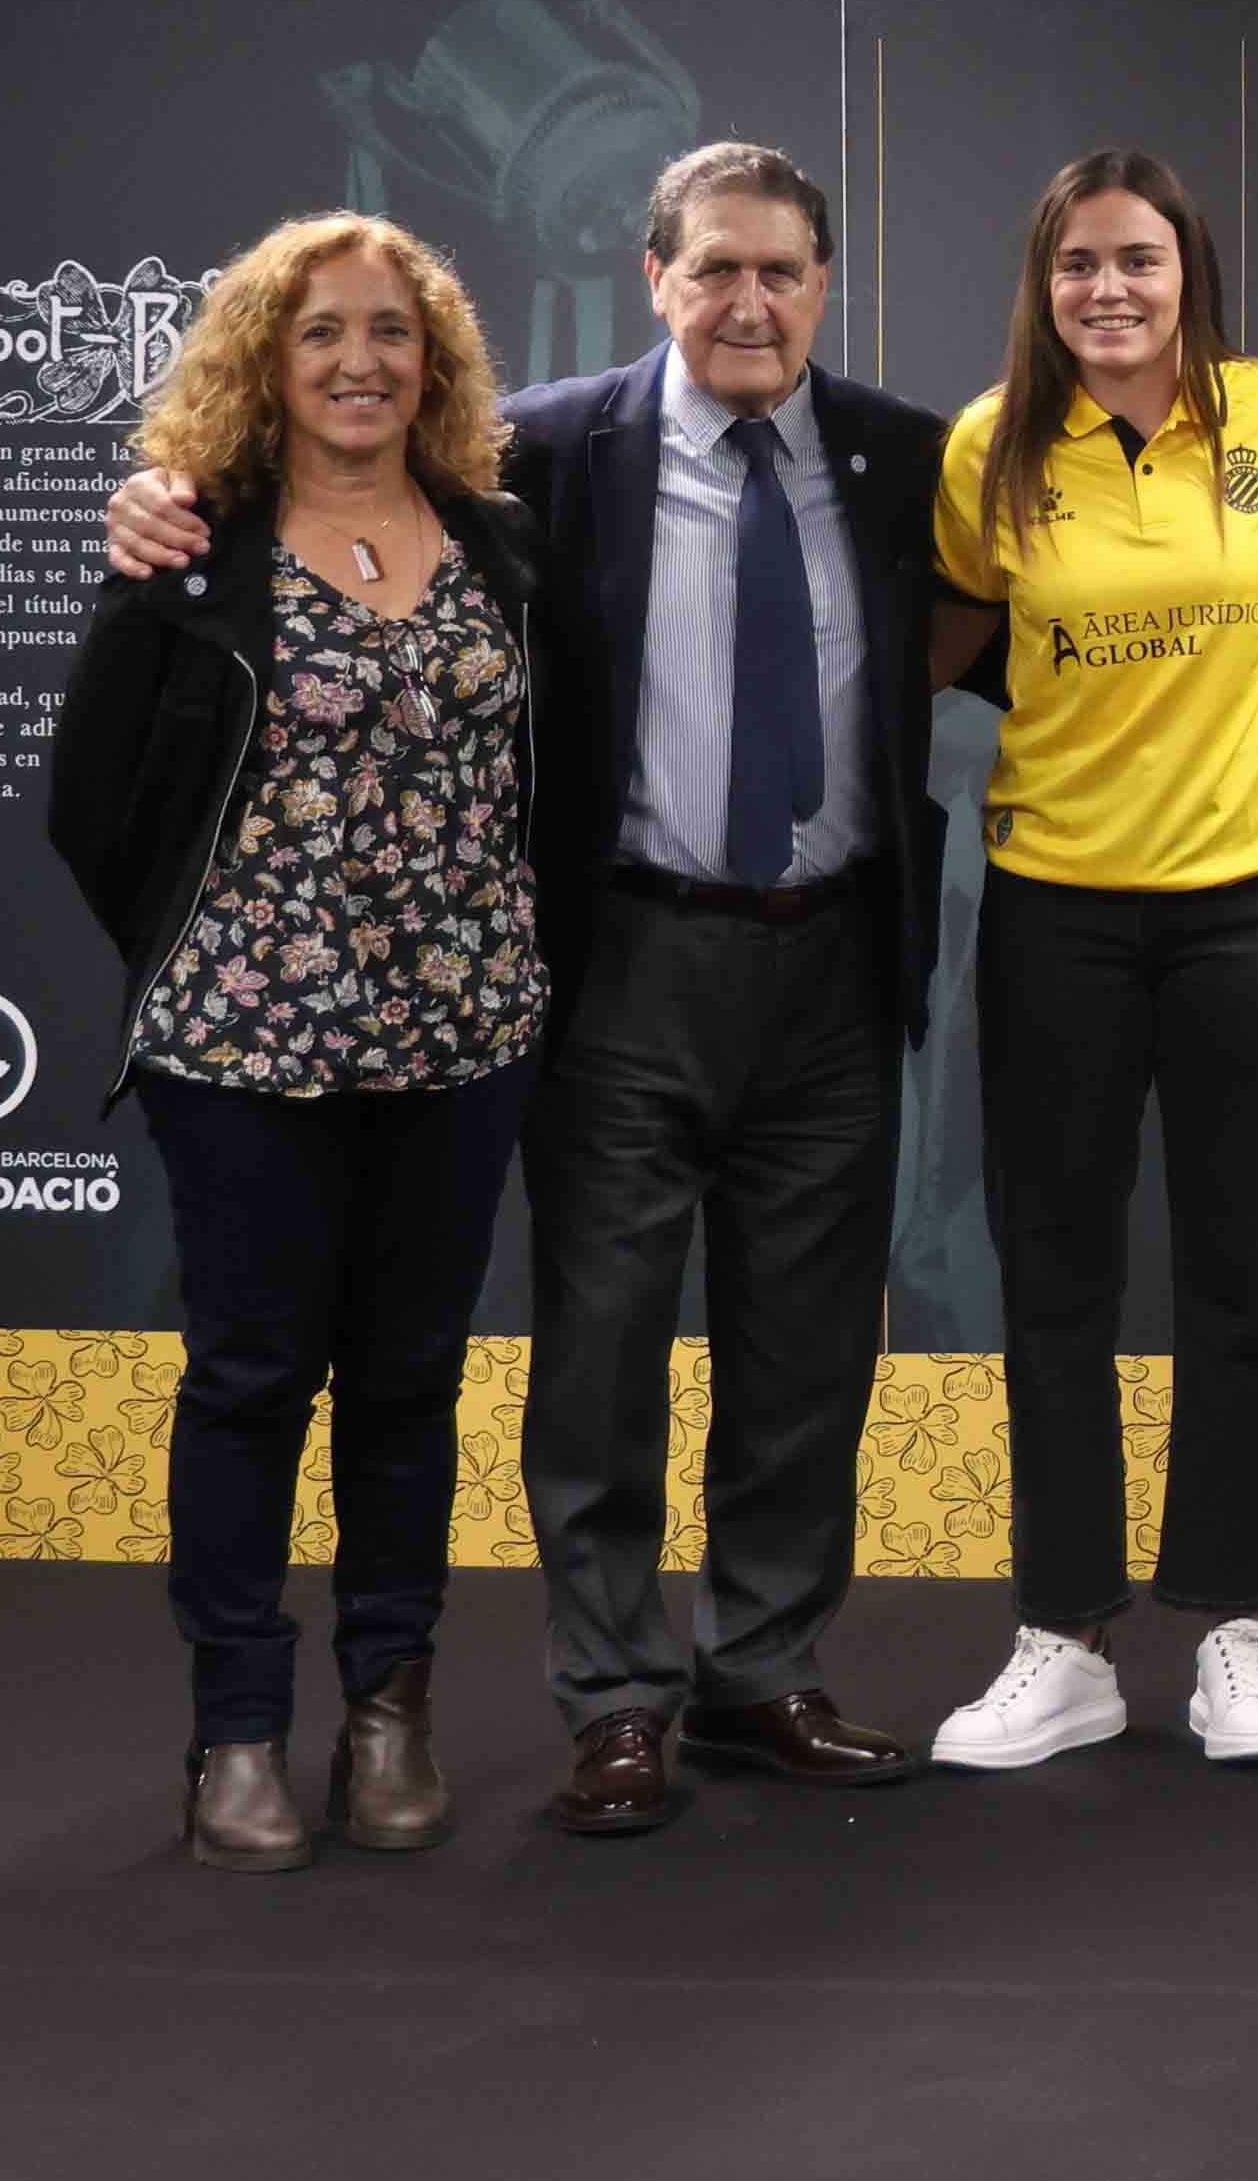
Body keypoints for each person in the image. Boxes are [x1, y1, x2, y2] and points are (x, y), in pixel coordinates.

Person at [105, 141, 954, 1837]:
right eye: (713, 267)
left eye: (782, 270)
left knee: (803, 1353)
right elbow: (319, 479)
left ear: (825, 284)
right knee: (602, 1354)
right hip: (624, 955)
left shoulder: (901, 456)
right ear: (655, 277)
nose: (748, 300)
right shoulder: (546, 452)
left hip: (833, 962)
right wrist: (145, 503)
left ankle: (761, 1667)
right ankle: (617, 1699)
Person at [48, 212, 546, 1872]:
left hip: (462, 1036)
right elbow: (94, 801)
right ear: (269, 359)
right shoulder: (191, 553)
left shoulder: (503, 546)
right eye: (321, 331)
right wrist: (218, 950)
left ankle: (389, 1711)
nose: (359, 361)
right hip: (247, 1046)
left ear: (437, 361)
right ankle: (240, 1728)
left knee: (408, 1385)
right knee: (255, 1379)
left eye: (392, 333)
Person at [919, 150, 1258, 1778]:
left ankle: (1234, 1623)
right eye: (1079, 263)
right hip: (1059, 908)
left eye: (1140, 261)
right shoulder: (989, 448)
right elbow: (949, 636)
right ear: (1045, 282)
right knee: (1058, 1285)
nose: (1109, 289)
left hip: (1253, 898)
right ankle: (1066, 1636)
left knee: (1245, 1272)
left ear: (1191, 276)